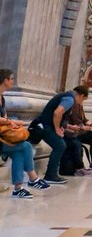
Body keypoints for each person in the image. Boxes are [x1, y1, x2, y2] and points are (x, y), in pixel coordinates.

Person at [0, 69, 50, 198]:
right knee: (25, 146)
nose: (13, 81)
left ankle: (19, 188)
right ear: (5, 80)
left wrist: (12, 124)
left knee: (19, 151)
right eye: (11, 78)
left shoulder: (2, 98)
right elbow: (4, 120)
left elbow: (4, 120)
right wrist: (9, 121)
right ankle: (32, 178)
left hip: (2, 137)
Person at [34, 84, 89, 184]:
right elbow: (57, 113)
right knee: (60, 145)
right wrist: (57, 129)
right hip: (45, 126)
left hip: (46, 125)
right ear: (81, 95)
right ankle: (50, 175)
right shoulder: (70, 99)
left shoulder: (67, 96)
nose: (81, 103)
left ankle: (51, 174)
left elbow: (59, 116)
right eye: (83, 100)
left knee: (60, 145)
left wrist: (65, 127)